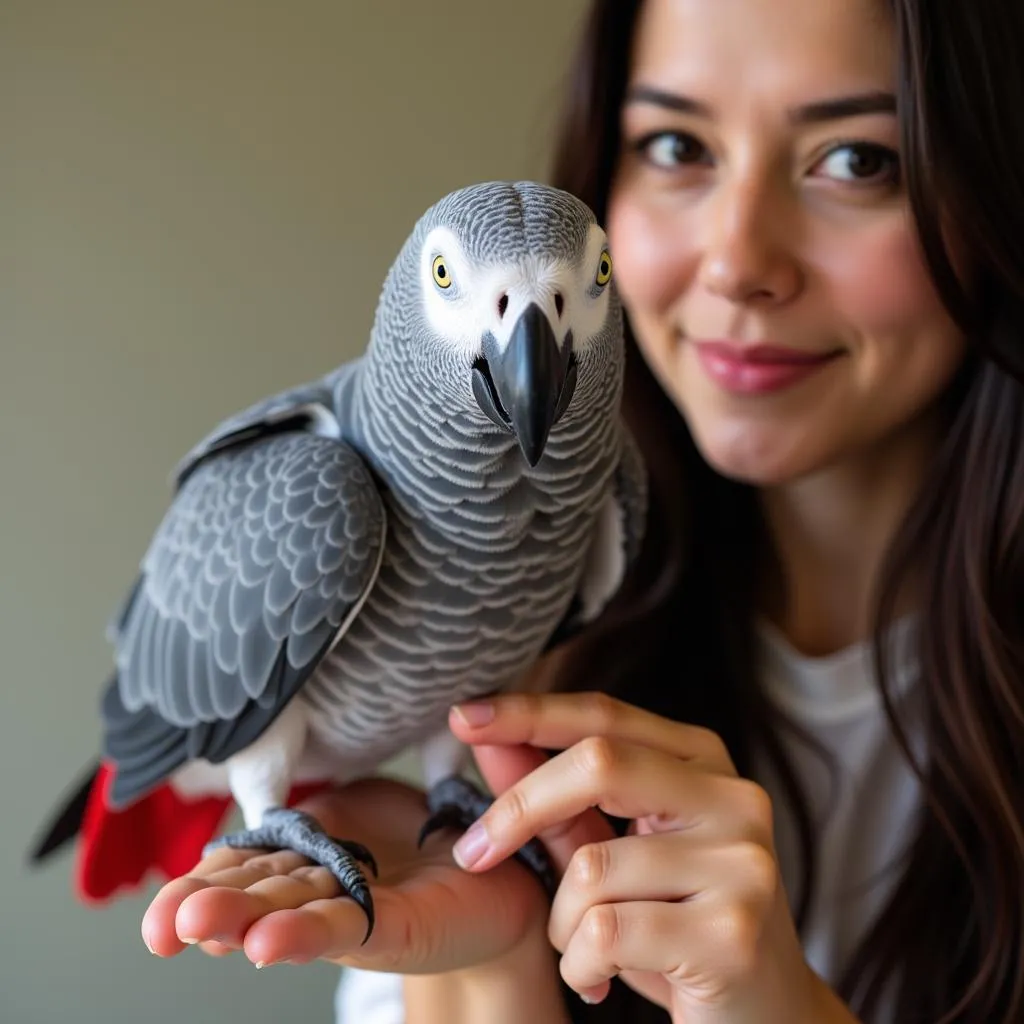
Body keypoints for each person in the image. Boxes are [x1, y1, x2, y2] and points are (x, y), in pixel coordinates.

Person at [139, 0, 1024, 1021]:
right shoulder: (540, 680)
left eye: (859, 159)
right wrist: (496, 960)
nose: (738, 262)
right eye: (675, 144)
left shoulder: (585, 525)